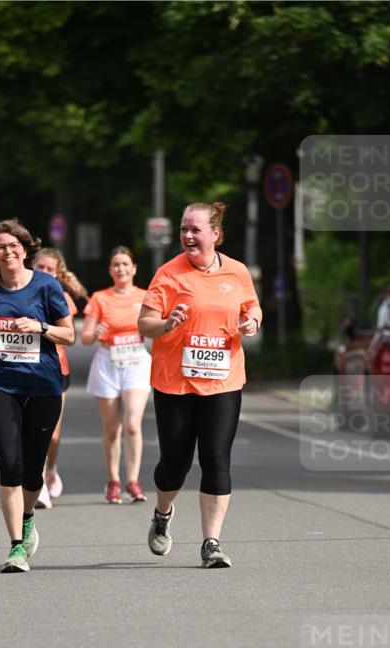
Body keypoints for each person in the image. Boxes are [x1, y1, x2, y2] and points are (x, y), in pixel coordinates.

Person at [138, 201, 262, 567]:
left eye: (195, 230)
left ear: (215, 234)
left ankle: (212, 543)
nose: (188, 236)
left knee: (216, 460)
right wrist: (166, 325)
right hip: (175, 381)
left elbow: (252, 308)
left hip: (223, 380)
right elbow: (145, 323)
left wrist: (252, 322)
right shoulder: (168, 273)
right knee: (175, 464)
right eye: (184, 229)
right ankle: (162, 513)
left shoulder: (237, 272)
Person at [0, 219, 74, 573]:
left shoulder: (47, 286)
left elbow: (69, 335)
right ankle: (15, 547)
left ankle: (27, 519)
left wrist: (39, 326)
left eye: (13, 246)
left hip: (43, 386)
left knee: (31, 470)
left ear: (25, 249)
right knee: (9, 464)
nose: (8, 252)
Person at [82, 246, 150, 503]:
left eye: (125, 264)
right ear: (110, 270)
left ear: (134, 268)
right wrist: (95, 333)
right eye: (116, 265)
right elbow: (86, 338)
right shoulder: (100, 298)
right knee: (112, 429)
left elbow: (157, 327)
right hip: (107, 362)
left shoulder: (145, 297)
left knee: (132, 424)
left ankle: (133, 481)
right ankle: (113, 481)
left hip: (137, 362)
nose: (121, 269)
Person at [32, 248, 87, 508]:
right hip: (26, 370)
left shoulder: (63, 297)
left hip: (56, 371)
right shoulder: (19, 292)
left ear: (58, 274)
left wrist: (39, 326)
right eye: (40, 267)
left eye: (50, 269)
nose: (44, 272)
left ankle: (51, 469)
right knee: (30, 430)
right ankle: (38, 483)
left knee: (52, 434)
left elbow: (66, 334)